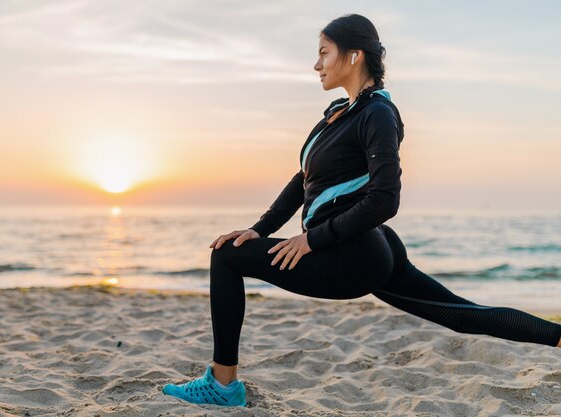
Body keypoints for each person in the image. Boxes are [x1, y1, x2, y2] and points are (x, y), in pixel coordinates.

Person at [161, 13, 561, 408]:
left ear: (354, 56)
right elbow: (303, 181)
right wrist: (258, 230)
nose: (316, 64)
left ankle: (223, 384)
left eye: (324, 53)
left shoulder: (377, 114)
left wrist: (311, 239)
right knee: (461, 314)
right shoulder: (339, 112)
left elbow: (386, 199)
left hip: (352, 253)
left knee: (226, 258)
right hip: (365, 249)